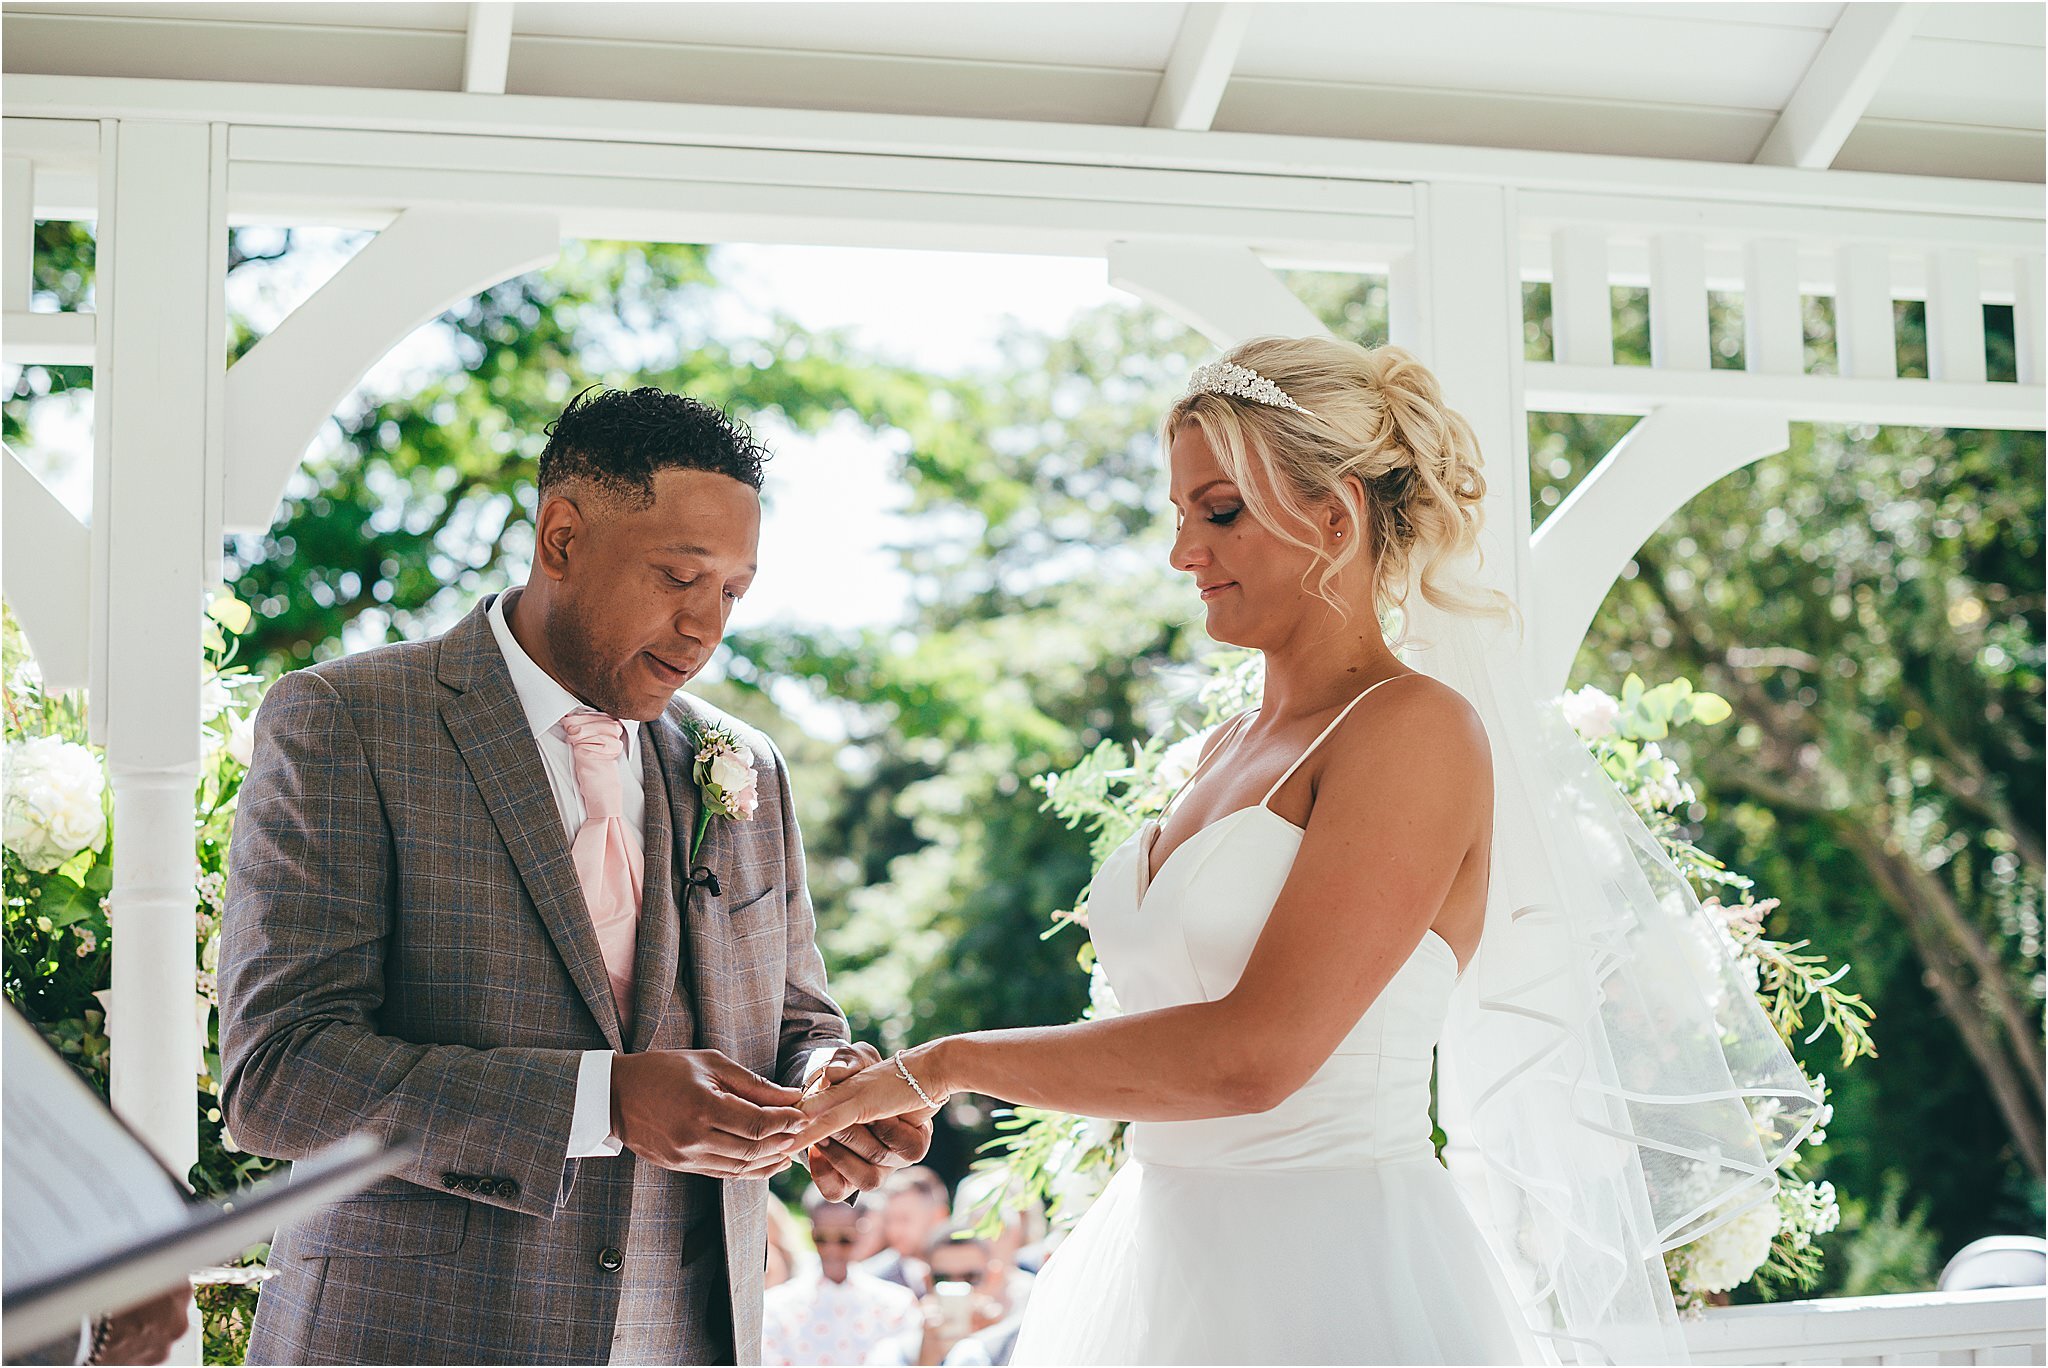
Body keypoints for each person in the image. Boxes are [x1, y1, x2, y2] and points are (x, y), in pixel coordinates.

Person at [792, 338, 1818, 1364]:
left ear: (1333, 519)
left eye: (1219, 512)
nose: (1182, 553)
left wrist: (941, 1067)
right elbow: (1162, 1033)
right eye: (1179, 515)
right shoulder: (1218, 751)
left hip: (1334, 1273)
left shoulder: (1411, 731)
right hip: (1154, 1263)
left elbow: (1255, 1057)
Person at [219, 387, 931, 1365]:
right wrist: (600, 1102)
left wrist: (827, 1091)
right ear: (560, 538)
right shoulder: (346, 720)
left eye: (731, 592)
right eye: (678, 576)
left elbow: (799, 1024)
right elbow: (279, 1076)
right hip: (416, 1334)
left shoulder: (742, 765)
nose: (704, 628)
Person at [760, 1185, 920, 1366]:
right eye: (821, 1238)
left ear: (861, 1233)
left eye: (845, 1239)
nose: (832, 1250)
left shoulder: (896, 1304)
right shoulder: (776, 1307)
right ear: (811, 1233)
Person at [864, 1231, 1007, 1367]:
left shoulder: (1017, 1336)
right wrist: (925, 1359)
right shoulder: (895, 1351)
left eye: (970, 1278)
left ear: (993, 1277)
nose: (955, 1286)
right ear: (926, 1281)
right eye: (942, 1279)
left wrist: (997, 1338)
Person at [861, 1166, 951, 1295]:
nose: (894, 1230)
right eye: (889, 1220)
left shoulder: (969, 1271)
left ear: (939, 1216)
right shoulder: (870, 1279)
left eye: (904, 1219)